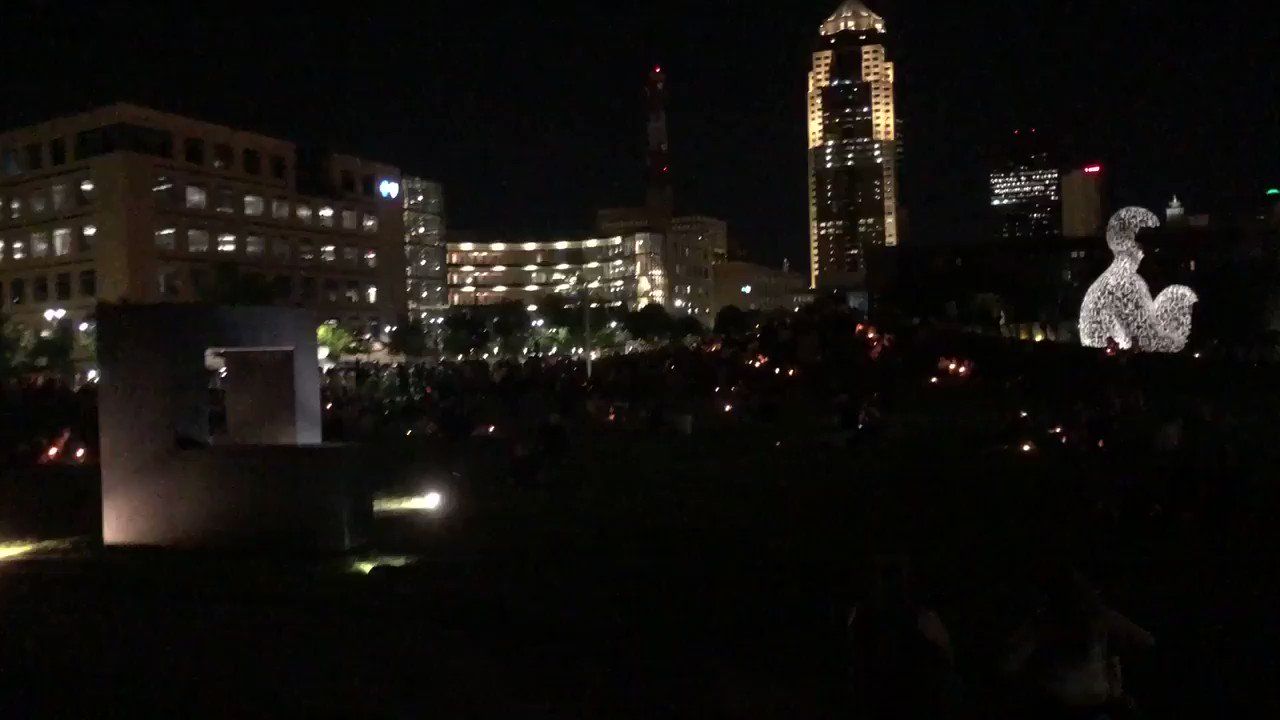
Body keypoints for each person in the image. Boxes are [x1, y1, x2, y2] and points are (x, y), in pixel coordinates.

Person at [1003, 568, 1154, 717]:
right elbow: (1146, 640)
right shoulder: (1098, 617)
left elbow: (1012, 664)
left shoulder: (1044, 623)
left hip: (1070, 701)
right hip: (1092, 698)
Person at [847, 556, 959, 718]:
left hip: (884, 692)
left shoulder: (864, 613)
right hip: (900, 692)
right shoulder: (919, 616)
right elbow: (946, 652)